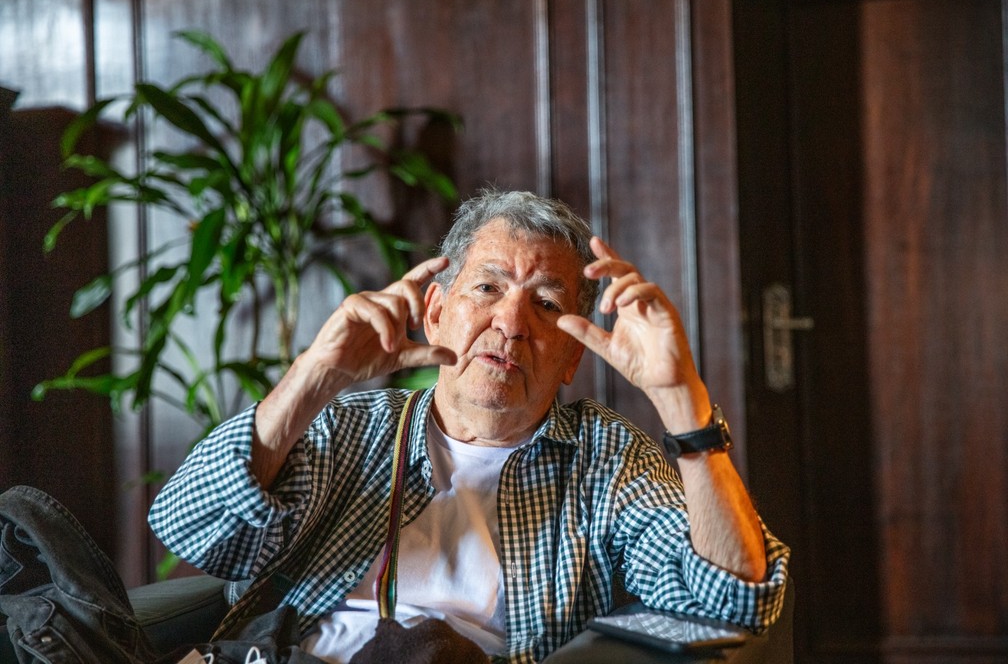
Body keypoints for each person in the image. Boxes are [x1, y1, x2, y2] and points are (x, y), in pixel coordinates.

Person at [0, 189, 788, 664]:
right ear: (437, 310)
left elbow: (733, 600)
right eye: (487, 287)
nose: (510, 323)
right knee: (23, 530)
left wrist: (681, 400)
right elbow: (196, 529)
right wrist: (315, 376)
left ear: (574, 359)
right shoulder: (356, 427)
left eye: (547, 305)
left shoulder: (603, 458)